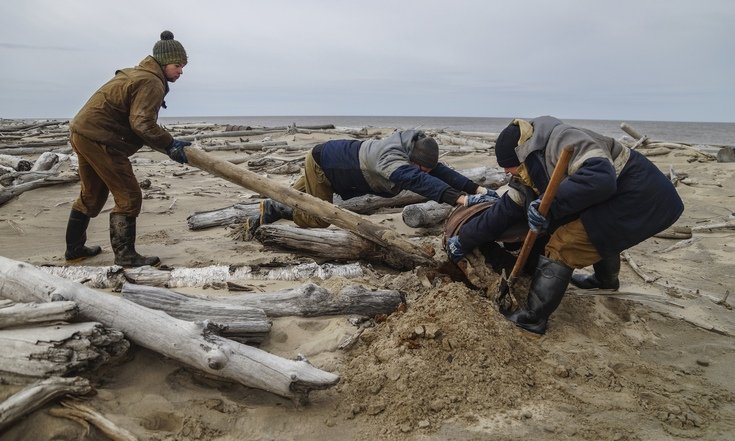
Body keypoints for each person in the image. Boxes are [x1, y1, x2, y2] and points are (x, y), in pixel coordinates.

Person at [446, 116, 684, 334]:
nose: (506, 171)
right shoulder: (529, 166)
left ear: (521, 153)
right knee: (594, 231)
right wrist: (464, 238)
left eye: (509, 165)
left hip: (641, 194)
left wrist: (549, 203)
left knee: (564, 243)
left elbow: (600, 179)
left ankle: (532, 319)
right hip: (623, 196)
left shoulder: (563, 139)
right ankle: (605, 280)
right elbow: (505, 210)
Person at [64, 31, 192, 267]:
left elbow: (136, 123)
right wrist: (170, 144)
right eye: (178, 65)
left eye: (183, 66)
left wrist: (166, 143)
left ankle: (74, 250)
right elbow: (141, 123)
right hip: (102, 139)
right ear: (163, 63)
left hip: (82, 132)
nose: (181, 71)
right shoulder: (151, 81)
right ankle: (125, 256)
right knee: (129, 195)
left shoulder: (137, 74)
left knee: (92, 195)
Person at [251, 129, 498, 230]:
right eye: (421, 168)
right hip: (323, 168)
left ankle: (263, 214)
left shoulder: (413, 151)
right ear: (412, 160)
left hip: (329, 159)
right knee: (317, 218)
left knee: (292, 197)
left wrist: (477, 188)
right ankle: (276, 209)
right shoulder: (392, 160)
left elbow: (440, 172)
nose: (424, 171)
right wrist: (461, 199)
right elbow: (418, 181)